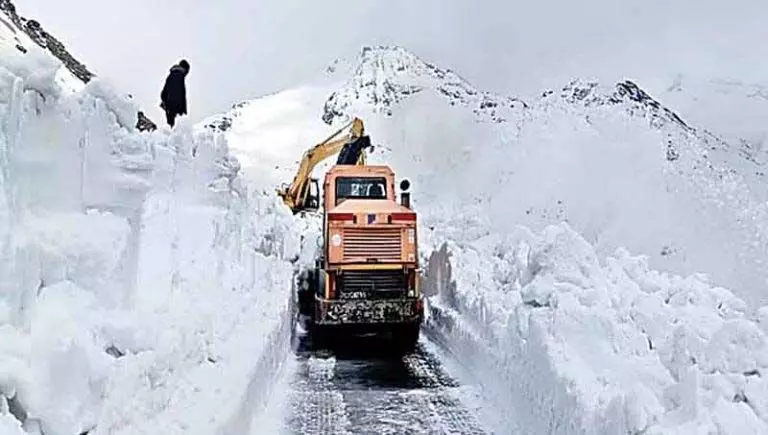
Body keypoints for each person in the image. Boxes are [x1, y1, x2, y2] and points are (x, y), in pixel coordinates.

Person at [160, 59, 190, 127]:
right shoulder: (179, 76)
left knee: (171, 128)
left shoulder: (172, 75)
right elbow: (180, 95)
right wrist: (182, 112)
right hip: (176, 108)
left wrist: (165, 103)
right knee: (176, 130)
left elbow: (163, 92)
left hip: (169, 107)